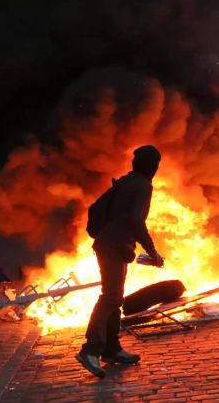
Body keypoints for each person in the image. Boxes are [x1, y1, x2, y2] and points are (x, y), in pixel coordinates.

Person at [75, 145, 165, 378]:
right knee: (111, 297)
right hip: (113, 247)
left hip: (112, 245)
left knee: (116, 297)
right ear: (153, 166)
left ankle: (112, 349)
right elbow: (136, 220)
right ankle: (91, 349)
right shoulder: (143, 185)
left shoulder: (127, 181)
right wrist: (152, 251)